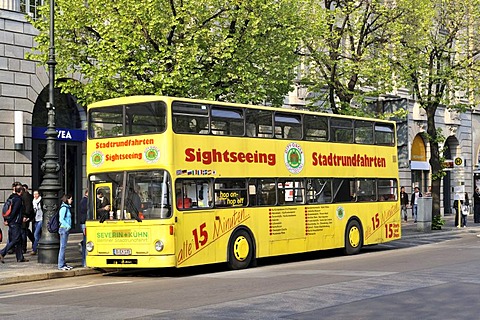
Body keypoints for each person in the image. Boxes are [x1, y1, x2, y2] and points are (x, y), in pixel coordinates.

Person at [0, 184, 28, 263]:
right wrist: (9, 220)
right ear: (21, 191)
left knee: (17, 240)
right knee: (16, 239)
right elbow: (14, 212)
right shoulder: (18, 199)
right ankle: (2, 252)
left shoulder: (11, 197)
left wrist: (6, 220)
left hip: (12, 222)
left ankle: (20, 257)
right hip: (15, 222)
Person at [58, 194, 73, 271]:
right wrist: (67, 226)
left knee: (63, 247)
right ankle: (61, 265)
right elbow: (61, 219)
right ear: (67, 199)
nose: (71, 200)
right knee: (62, 247)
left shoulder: (67, 208)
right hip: (64, 229)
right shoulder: (64, 208)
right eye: (70, 199)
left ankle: (63, 264)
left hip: (65, 229)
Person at [21, 184, 35, 253]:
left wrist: (26, 216)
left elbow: (28, 207)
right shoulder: (23, 196)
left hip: (25, 217)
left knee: (24, 231)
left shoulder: (27, 196)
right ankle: (33, 241)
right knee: (25, 231)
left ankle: (24, 248)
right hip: (25, 216)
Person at [31, 190, 43, 255]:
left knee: (36, 234)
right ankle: (39, 247)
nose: (35, 195)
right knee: (38, 235)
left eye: (36, 194)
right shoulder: (33, 201)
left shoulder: (41, 201)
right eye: (34, 194)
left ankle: (34, 249)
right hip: (36, 219)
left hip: (41, 219)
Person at [78, 189, 88, 267]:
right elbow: (85, 211)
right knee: (85, 242)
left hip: (84, 223)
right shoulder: (84, 201)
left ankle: (85, 262)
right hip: (84, 223)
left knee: (86, 241)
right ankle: (84, 262)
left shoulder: (84, 201)